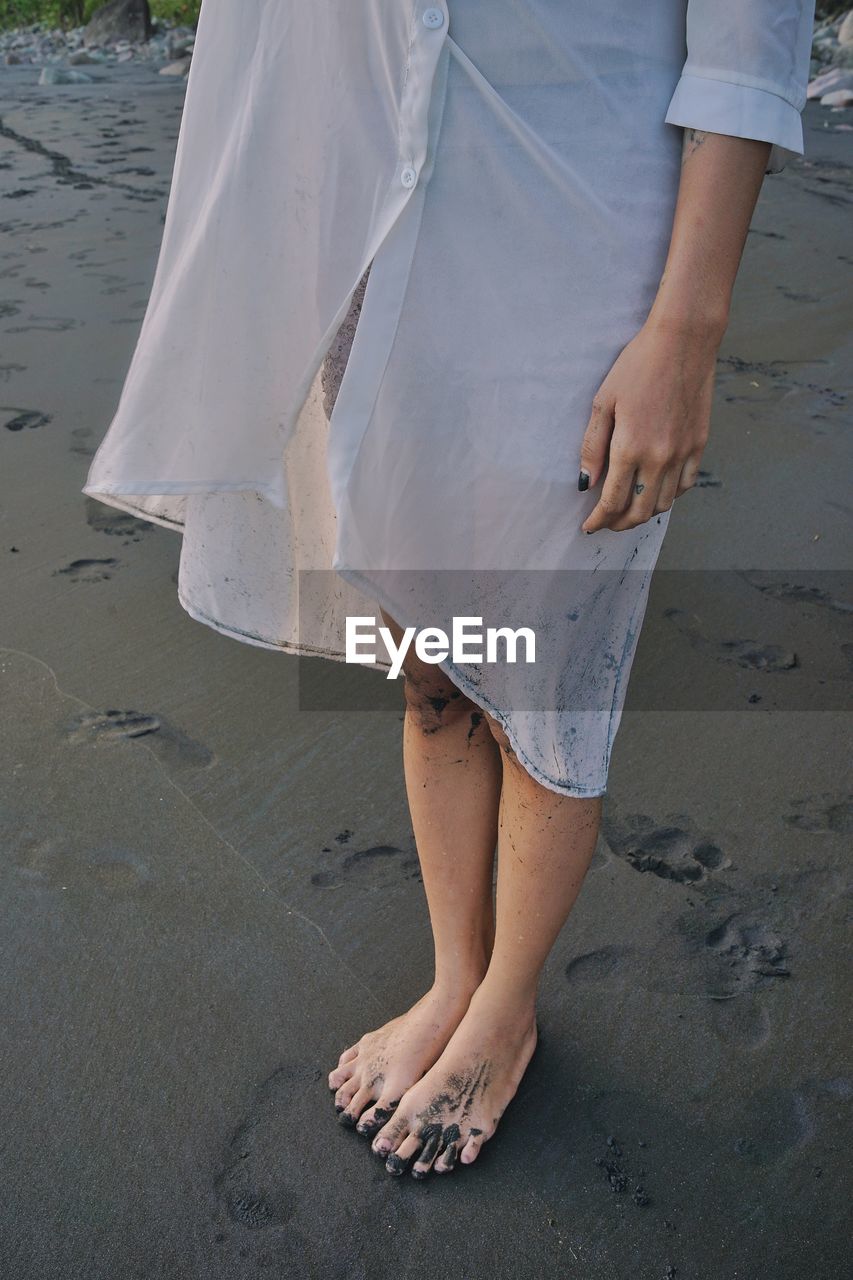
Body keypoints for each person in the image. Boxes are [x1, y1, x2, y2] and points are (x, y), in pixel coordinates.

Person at [81, 2, 816, 1179]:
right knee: (430, 660)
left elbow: (743, 66)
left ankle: (505, 1008)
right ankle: (453, 975)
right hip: (377, 262)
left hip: (584, 279)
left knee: (544, 680)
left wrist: (687, 330)